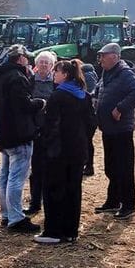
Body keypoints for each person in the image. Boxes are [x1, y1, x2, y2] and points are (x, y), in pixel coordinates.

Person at [34, 59, 95, 244]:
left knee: (54, 190)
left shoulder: (58, 96)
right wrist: (83, 140)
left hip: (58, 152)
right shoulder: (84, 96)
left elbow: (51, 125)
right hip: (78, 151)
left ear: (65, 75)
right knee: (73, 190)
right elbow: (92, 123)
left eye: (57, 72)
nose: (54, 74)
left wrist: (47, 143)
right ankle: (70, 231)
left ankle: (53, 231)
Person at [0, 45, 47, 233]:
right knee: (16, 178)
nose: (28, 61)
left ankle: (7, 214)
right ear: (20, 58)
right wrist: (40, 102)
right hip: (19, 133)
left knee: (4, 177)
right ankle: (16, 218)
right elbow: (24, 105)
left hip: (3, 132)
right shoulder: (17, 78)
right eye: (26, 58)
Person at [93, 43, 135, 220]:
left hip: (121, 129)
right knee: (111, 167)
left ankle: (128, 206)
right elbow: (99, 90)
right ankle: (113, 201)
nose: (100, 59)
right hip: (108, 128)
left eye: (103, 56)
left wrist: (120, 108)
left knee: (124, 168)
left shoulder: (125, 73)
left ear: (114, 57)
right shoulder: (106, 73)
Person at [24, 51, 57, 216]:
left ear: (52, 66)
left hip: (52, 132)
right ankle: (35, 202)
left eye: (47, 62)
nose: (44, 65)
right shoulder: (29, 82)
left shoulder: (57, 83)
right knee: (36, 169)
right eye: (41, 62)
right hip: (35, 130)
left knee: (52, 169)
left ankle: (50, 202)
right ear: (36, 64)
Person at [81, 62, 99, 177]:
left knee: (87, 141)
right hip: (92, 115)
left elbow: (89, 94)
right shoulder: (94, 75)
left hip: (89, 114)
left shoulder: (87, 76)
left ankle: (88, 165)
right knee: (88, 141)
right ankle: (88, 165)